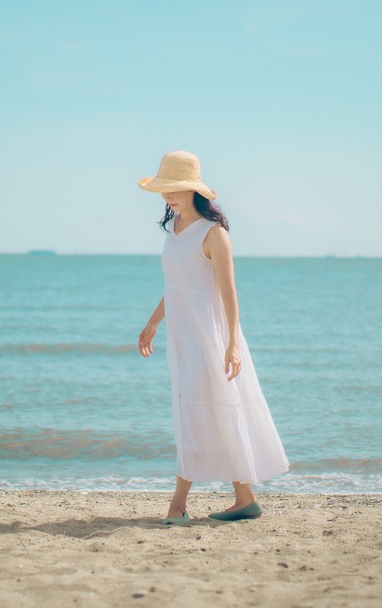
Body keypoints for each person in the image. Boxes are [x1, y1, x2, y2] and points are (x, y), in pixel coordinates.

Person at [137, 151, 288, 525]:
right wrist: (154, 322)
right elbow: (177, 287)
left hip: (211, 338)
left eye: (175, 189)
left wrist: (233, 343)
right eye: (164, 190)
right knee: (207, 412)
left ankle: (178, 504)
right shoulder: (173, 231)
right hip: (182, 337)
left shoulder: (213, 234)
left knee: (199, 413)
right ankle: (244, 498)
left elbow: (228, 292)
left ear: (193, 189)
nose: (168, 196)